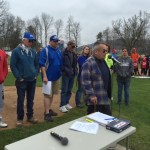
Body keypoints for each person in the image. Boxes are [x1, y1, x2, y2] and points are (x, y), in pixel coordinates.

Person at [10, 32, 39, 127]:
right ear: (24, 40)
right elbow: (13, 65)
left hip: (32, 80)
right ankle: (19, 118)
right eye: (29, 41)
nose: (31, 43)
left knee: (31, 99)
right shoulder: (16, 51)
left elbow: (36, 64)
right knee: (21, 100)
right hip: (22, 81)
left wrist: (35, 74)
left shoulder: (33, 51)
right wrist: (19, 77)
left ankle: (30, 116)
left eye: (32, 41)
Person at [81, 42, 112, 115]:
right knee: (94, 123)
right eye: (104, 51)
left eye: (106, 51)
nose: (106, 53)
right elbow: (85, 81)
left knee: (107, 120)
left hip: (104, 97)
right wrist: (91, 95)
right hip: (95, 100)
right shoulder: (88, 63)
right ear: (96, 52)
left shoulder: (103, 61)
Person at [39, 35, 62, 121]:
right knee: (47, 95)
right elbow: (42, 64)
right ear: (50, 41)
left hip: (56, 76)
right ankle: (46, 113)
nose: (56, 43)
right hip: (48, 77)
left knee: (52, 94)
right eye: (55, 41)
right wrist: (44, 76)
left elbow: (60, 63)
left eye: (57, 41)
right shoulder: (46, 50)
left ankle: (48, 109)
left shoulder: (58, 51)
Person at [60, 40, 78, 113]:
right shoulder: (63, 52)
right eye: (72, 46)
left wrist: (75, 70)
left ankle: (66, 103)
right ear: (68, 45)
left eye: (74, 46)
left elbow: (75, 63)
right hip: (66, 74)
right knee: (64, 90)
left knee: (69, 90)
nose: (73, 48)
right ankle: (62, 105)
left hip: (72, 74)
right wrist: (65, 70)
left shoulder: (73, 53)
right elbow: (61, 64)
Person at [0, 49, 8, 128]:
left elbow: (5, 66)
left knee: (0, 102)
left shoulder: (2, 52)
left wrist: (2, 77)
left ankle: (0, 119)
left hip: (0, 83)